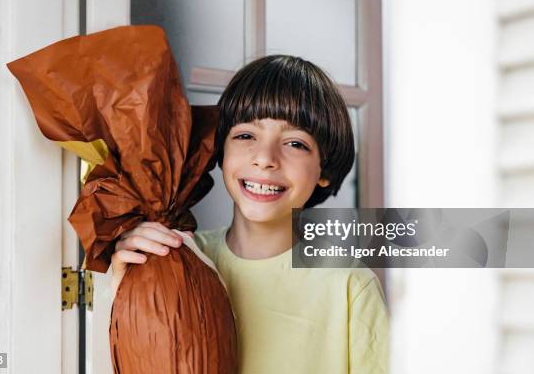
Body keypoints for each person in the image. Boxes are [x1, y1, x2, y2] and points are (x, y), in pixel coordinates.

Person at [110, 55, 389, 373]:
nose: (265, 158)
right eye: (246, 136)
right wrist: (129, 286)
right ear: (221, 150)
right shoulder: (177, 256)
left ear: (324, 168)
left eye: (295, 143)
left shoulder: (350, 286)